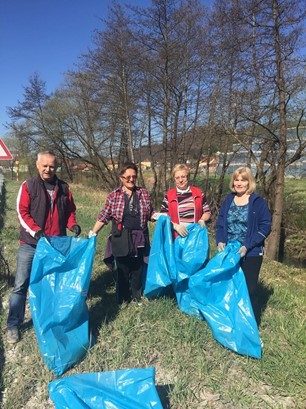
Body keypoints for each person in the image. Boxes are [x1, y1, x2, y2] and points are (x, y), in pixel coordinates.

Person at [6, 151, 81, 344]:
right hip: (31, 244)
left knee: (52, 285)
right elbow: (22, 212)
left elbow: (70, 211)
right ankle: (13, 324)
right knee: (21, 285)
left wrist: (72, 224)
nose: (48, 169)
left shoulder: (64, 187)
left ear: (57, 167)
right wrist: (35, 231)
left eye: (52, 166)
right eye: (44, 166)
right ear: (38, 165)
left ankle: (49, 321)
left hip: (55, 245)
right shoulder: (28, 185)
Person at [89, 162, 155, 305]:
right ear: (121, 178)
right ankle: (122, 298)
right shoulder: (114, 196)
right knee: (123, 269)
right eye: (127, 177)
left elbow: (150, 213)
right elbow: (104, 216)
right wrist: (93, 232)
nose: (131, 180)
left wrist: (161, 217)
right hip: (122, 238)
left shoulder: (143, 193)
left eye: (134, 177)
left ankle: (137, 296)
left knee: (138, 267)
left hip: (140, 237)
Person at [216, 166, 271, 320]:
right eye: (236, 180)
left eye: (243, 180)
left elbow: (266, 226)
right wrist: (220, 241)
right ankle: (233, 320)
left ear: (249, 182)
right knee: (231, 286)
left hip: (251, 251)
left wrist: (247, 245)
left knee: (250, 288)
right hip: (230, 251)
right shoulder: (229, 200)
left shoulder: (257, 202)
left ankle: (252, 322)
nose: (239, 183)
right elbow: (220, 223)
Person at [158, 164, 211, 238]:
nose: (180, 180)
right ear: (174, 179)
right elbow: (163, 217)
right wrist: (175, 226)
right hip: (176, 237)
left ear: (188, 177)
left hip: (195, 237)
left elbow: (207, 212)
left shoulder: (198, 193)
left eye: (183, 177)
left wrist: (202, 220)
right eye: (177, 178)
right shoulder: (169, 195)